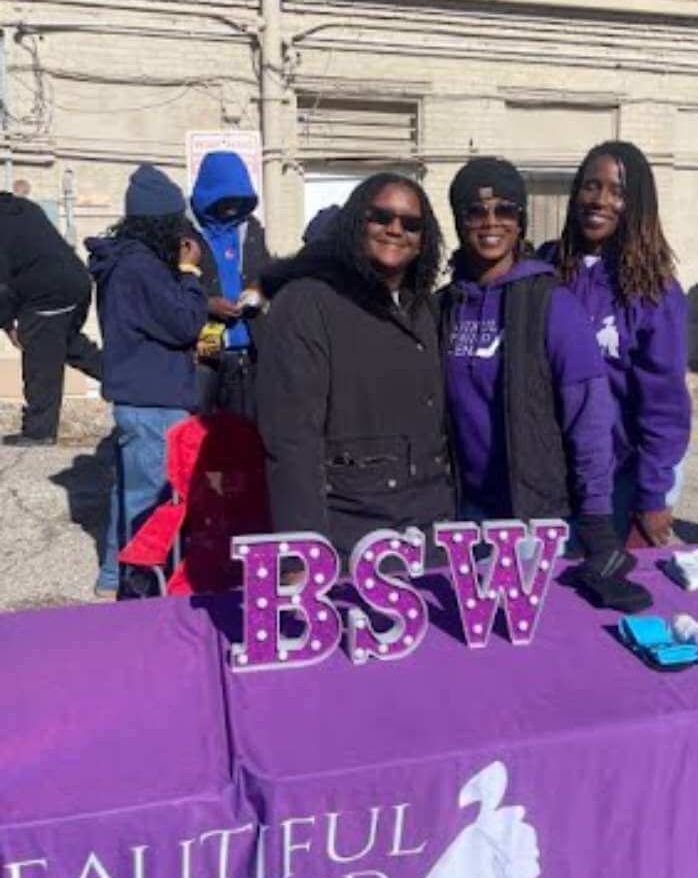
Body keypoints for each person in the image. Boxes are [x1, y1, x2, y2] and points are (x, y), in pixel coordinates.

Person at [440, 157, 625, 577]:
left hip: (535, 517)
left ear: (520, 222)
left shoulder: (552, 304)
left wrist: (597, 519)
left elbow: (589, 415)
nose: (491, 221)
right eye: (476, 211)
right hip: (465, 513)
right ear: (459, 221)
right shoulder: (447, 306)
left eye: (505, 210)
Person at [257, 173, 454, 556]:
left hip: (430, 527)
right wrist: (303, 550)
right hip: (350, 536)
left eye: (411, 224)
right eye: (381, 217)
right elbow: (291, 439)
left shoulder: (424, 309)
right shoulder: (306, 303)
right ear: (355, 222)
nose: (395, 230)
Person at [542, 141, 691, 548]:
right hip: (544, 476)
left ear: (637, 203)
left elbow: (664, 405)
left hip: (614, 482)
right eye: (591, 186)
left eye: (617, 191)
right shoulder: (545, 268)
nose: (600, 200)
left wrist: (655, 494)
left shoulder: (653, 291)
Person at [86, 165, 208, 599]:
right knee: (151, 503)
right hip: (154, 399)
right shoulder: (141, 267)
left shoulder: (124, 261)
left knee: (129, 494)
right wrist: (191, 274)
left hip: (136, 398)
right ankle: (140, 592)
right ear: (163, 224)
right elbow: (184, 324)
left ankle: (113, 575)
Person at [0, 188, 101, 445]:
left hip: (47, 293)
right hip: (77, 283)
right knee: (69, 345)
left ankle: (40, 431)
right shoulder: (22, 208)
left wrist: (7, 323)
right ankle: (128, 382)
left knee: (40, 356)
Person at [189, 151, 270, 417]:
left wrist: (259, 291)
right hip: (207, 339)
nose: (232, 207)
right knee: (202, 419)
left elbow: (267, 274)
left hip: (249, 346)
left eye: (239, 199)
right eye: (225, 200)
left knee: (244, 429)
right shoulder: (187, 235)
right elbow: (171, 290)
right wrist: (207, 304)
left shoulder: (252, 229)